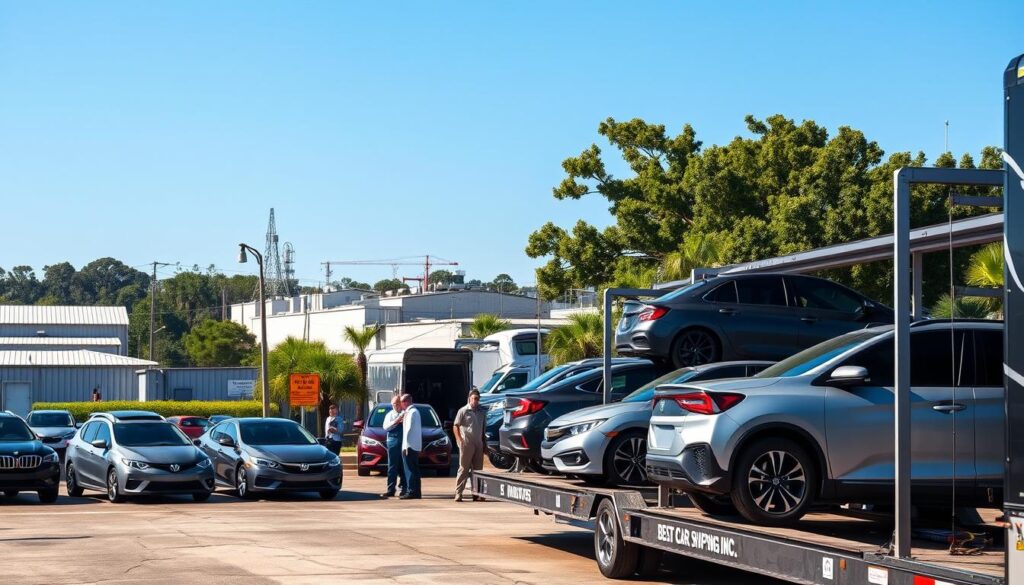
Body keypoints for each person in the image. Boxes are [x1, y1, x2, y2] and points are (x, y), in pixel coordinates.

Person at [453, 389, 486, 502]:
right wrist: (459, 440)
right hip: (467, 443)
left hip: (478, 443)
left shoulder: (482, 412)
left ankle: (476, 494)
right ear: (469, 399)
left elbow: (483, 429)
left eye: (477, 399)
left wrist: (484, 444)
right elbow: (455, 425)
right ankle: (458, 493)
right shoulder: (463, 411)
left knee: (477, 470)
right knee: (464, 469)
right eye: (474, 399)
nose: (475, 401)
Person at [380, 395, 407, 498]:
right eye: (394, 404)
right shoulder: (389, 415)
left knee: (403, 466)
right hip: (392, 441)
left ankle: (404, 488)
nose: (396, 405)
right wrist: (397, 420)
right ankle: (390, 489)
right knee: (392, 466)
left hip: (404, 441)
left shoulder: (405, 413)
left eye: (398, 403)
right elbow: (386, 427)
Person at [399, 393, 422, 500]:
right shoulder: (415, 411)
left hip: (409, 445)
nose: (401, 404)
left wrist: (405, 446)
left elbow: (408, 430)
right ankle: (416, 491)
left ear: (406, 402)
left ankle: (411, 491)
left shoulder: (410, 413)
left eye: (402, 402)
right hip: (415, 445)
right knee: (415, 469)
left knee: (409, 470)